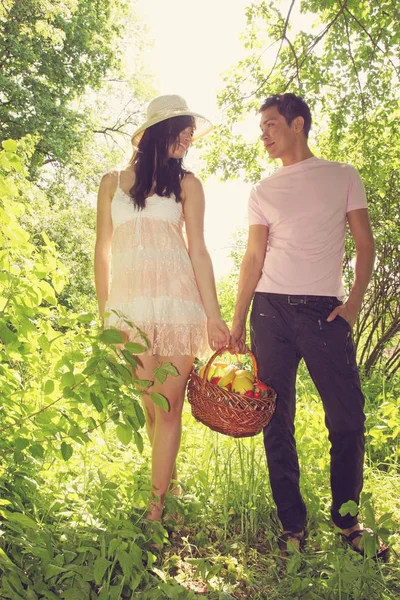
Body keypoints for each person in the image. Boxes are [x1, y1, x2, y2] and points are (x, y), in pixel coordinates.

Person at [230, 93, 386, 556]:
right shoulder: (263, 191)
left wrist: (354, 303)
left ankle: (347, 522)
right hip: (270, 310)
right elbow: (254, 257)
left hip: (324, 312)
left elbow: (364, 244)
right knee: (276, 419)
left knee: (347, 417)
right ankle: (292, 526)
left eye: (272, 124)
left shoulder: (342, 176)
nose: (264, 134)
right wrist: (237, 319)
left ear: (298, 124)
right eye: (262, 127)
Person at [95, 94, 230, 521]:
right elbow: (102, 252)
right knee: (151, 406)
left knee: (169, 405)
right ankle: (169, 485)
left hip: (178, 303)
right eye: (183, 129)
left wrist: (213, 314)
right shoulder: (112, 182)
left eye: (192, 131)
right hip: (128, 309)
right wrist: (105, 315)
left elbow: (200, 252)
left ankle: (155, 509)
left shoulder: (188, 184)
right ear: (158, 131)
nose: (190, 137)